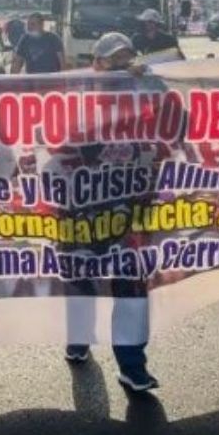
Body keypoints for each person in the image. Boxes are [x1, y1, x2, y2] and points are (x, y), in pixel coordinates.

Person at [64, 32, 159, 393]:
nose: (122, 64)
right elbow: (56, 144)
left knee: (131, 287)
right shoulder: (76, 94)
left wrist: (151, 81)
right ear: (97, 62)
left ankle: (133, 366)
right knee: (81, 280)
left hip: (130, 211)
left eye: (126, 57)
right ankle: (78, 337)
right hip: (82, 209)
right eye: (113, 59)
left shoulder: (143, 92)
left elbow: (176, 122)